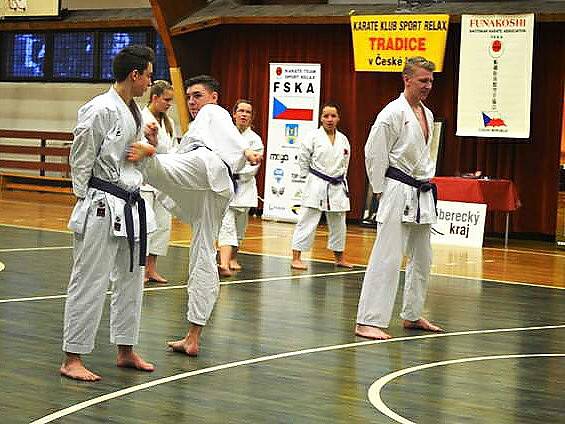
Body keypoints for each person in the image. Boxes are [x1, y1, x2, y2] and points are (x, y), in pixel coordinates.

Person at [127, 75, 262, 356]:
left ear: (213, 97)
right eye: (188, 97)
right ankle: (193, 335)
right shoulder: (195, 129)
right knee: (202, 254)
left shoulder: (215, 112)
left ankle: (148, 157)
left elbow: (229, 135)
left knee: (152, 169)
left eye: (197, 95)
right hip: (212, 187)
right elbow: (177, 155)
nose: (191, 102)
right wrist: (156, 142)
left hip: (206, 167)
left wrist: (245, 150)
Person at [60, 45, 157, 381]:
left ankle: (125, 348)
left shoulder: (136, 111)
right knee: (90, 281)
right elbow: (80, 158)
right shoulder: (99, 109)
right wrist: (86, 198)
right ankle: (72, 357)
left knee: (132, 280)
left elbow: (134, 154)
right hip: (101, 203)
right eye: (148, 74)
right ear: (135, 74)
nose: (150, 81)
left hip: (130, 203)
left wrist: (148, 146)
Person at [355, 56, 444, 340]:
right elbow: (374, 152)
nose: (428, 86)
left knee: (423, 257)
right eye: (422, 80)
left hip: (421, 191)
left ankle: (412, 313)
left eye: (430, 80)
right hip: (396, 188)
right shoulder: (392, 113)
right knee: (387, 255)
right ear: (406, 79)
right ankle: (368, 320)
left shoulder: (427, 114)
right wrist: (379, 190)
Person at [290, 102, 353, 270]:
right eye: (326, 116)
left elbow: (345, 163)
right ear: (321, 118)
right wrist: (309, 178)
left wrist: (341, 179)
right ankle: (296, 257)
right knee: (307, 220)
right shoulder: (312, 137)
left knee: (339, 223)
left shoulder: (343, 140)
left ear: (338, 118)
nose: (330, 119)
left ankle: (339, 257)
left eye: (333, 116)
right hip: (316, 183)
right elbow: (303, 160)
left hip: (337, 185)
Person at [217, 99, 264, 276]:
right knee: (226, 226)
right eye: (241, 111)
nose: (244, 114)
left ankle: (233, 257)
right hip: (225, 185)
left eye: (248, 112)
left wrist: (234, 169)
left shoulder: (255, 140)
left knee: (240, 227)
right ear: (234, 114)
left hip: (244, 187)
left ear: (252, 117)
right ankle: (224, 263)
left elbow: (252, 167)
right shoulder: (225, 135)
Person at [140, 80, 176, 284]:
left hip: (163, 180)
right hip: (145, 180)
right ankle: (141, 270)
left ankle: (152, 268)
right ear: (155, 97)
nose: (169, 103)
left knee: (162, 226)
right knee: (145, 225)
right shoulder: (143, 118)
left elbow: (172, 149)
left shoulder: (167, 123)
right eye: (166, 99)